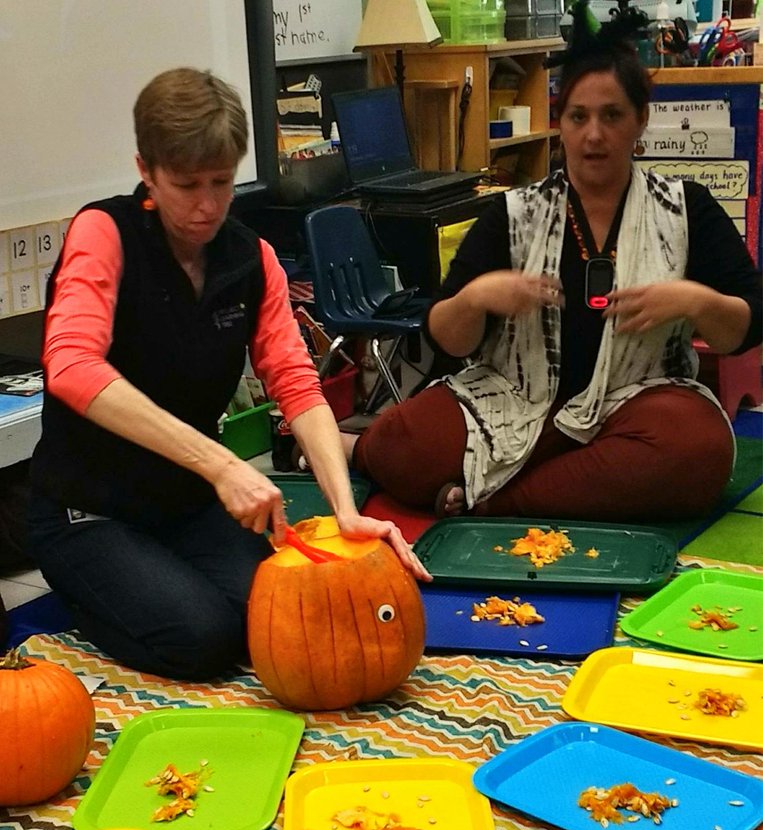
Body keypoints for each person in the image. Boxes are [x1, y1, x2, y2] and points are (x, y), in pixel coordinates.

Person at [27, 67, 427, 681]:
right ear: (146, 171)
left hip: (184, 506)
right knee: (205, 641)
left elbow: (296, 383)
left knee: (283, 617)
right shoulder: (102, 232)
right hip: (89, 510)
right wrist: (220, 465)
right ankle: (92, 592)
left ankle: (148, 577)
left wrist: (344, 508)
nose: (208, 205)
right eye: (186, 185)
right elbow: (72, 368)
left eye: (221, 182)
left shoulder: (251, 257)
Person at [342, 3, 762, 523]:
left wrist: (696, 301)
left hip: (638, 404)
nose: (594, 135)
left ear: (641, 121)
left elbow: (745, 328)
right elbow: (446, 338)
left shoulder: (687, 208)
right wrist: (476, 298)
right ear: (559, 123)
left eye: (612, 116)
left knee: (697, 447)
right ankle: (350, 450)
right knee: (407, 441)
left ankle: (495, 500)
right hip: (517, 402)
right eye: (578, 117)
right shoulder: (513, 214)